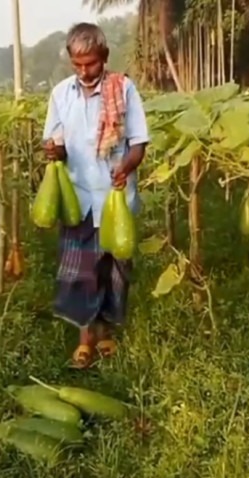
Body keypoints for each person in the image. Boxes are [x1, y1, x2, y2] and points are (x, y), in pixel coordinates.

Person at [41, 22, 149, 369]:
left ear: (104, 56)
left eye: (91, 63)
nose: (85, 71)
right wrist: (54, 152)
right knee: (79, 270)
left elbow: (139, 143)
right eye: (78, 64)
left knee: (113, 270)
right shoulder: (60, 94)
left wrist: (127, 167)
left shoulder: (124, 89)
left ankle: (105, 333)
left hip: (115, 197)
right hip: (79, 196)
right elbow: (54, 141)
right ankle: (85, 339)